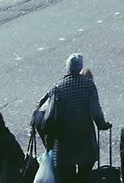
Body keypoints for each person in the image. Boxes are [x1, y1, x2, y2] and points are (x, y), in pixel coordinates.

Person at [47, 54, 110, 183]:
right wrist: (102, 124)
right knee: (85, 173)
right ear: (80, 67)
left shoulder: (58, 87)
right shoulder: (88, 85)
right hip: (84, 136)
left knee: (67, 175)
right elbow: (95, 110)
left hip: (64, 139)